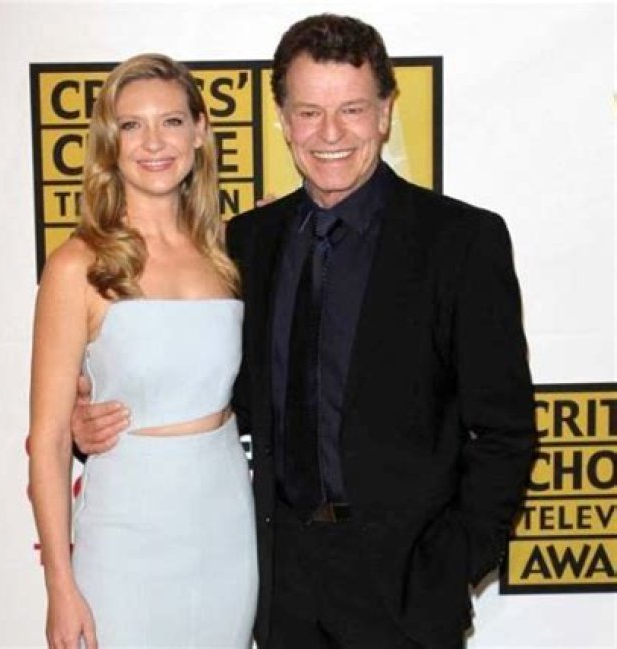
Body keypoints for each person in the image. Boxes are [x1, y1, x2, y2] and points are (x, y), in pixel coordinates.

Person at [72, 14, 537, 649]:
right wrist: (95, 420)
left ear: (385, 113)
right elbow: (209, 386)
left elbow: (506, 432)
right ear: (284, 121)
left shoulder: (460, 241)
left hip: (404, 588)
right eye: (310, 112)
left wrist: (451, 564)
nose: (330, 133)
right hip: (275, 582)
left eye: (352, 110)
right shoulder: (246, 242)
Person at [28, 53, 258, 649]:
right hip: (125, 532)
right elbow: (49, 440)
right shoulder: (77, 265)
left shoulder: (228, 254)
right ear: (111, 142)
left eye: (172, 121)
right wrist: (60, 585)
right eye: (132, 125)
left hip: (226, 526)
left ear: (200, 131)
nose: (154, 142)